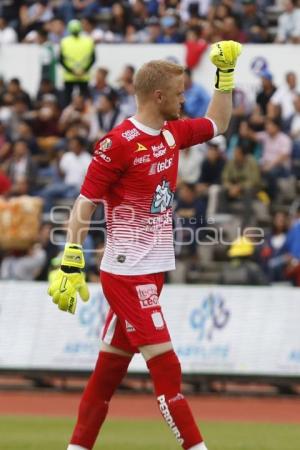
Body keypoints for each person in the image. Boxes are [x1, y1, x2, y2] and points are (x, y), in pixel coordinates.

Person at [48, 40, 242, 450]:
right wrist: (70, 261)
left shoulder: (171, 134)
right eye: (178, 92)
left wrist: (225, 79)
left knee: (105, 378)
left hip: (151, 271)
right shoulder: (117, 143)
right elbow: (85, 202)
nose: (183, 98)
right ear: (158, 96)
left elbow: (217, 124)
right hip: (127, 274)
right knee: (169, 372)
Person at [59, 19, 95, 106]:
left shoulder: (64, 42)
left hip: (69, 76)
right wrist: (84, 70)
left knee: (67, 99)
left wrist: (71, 71)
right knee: (85, 97)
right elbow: (93, 59)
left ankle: (66, 112)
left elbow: (61, 60)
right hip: (83, 75)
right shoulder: (89, 41)